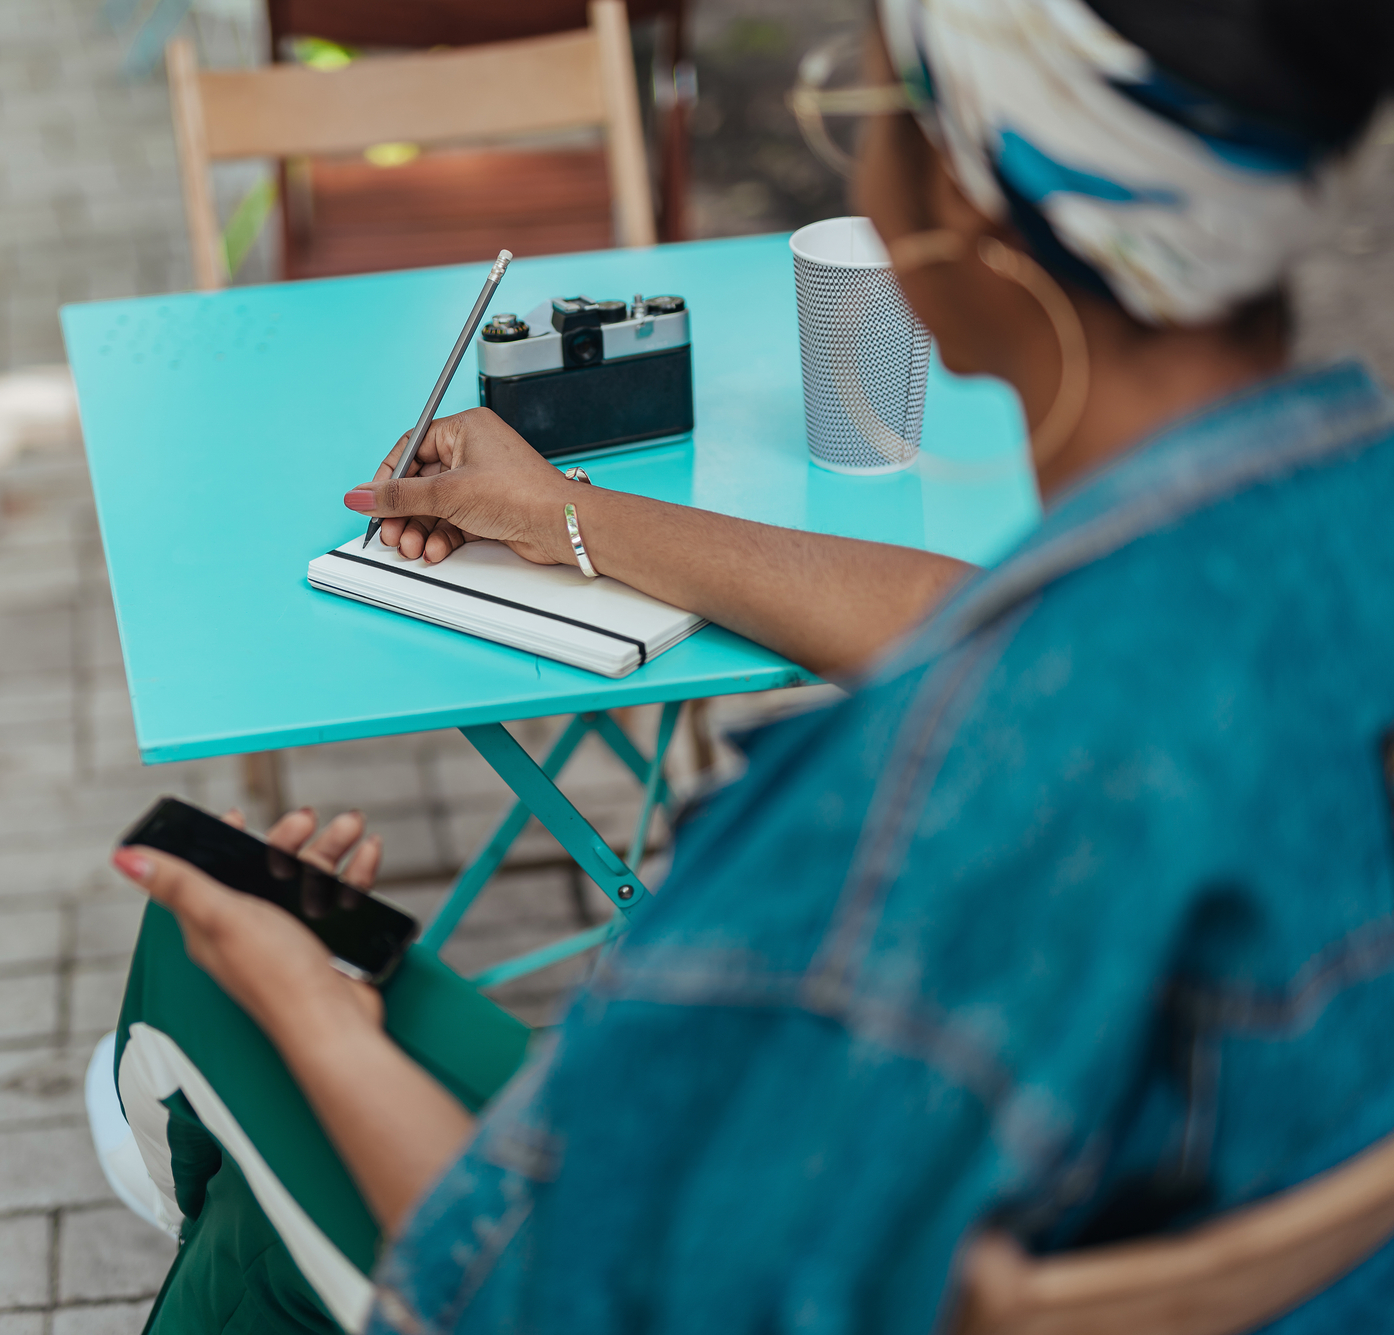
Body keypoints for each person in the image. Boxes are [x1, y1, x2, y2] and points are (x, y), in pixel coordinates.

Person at [111, 0, 1394, 1329]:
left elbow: (525, 1293)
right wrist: (570, 519)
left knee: (229, 1050)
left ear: (967, 197)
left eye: (871, 110)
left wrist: (304, 1009)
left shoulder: (884, 834)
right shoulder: (1320, 553)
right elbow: (981, 623)